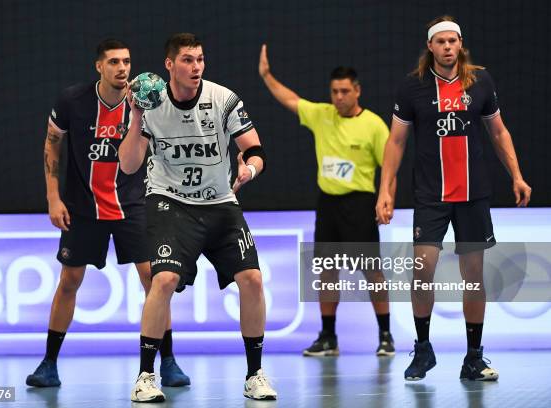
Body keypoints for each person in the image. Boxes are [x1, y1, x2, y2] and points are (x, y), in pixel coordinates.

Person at [119, 33, 277, 402]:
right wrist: (136, 115)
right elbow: (128, 165)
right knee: (164, 280)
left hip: (220, 201)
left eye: (200, 60)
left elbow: (255, 150)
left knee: (252, 279)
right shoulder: (150, 105)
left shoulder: (223, 99)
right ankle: (145, 376)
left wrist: (248, 171)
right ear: (169, 65)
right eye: (188, 60)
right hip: (169, 202)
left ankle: (255, 374)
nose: (196, 67)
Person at [26, 39, 189, 388]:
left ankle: (170, 362)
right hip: (83, 207)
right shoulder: (72, 101)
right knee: (69, 281)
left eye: (127, 62)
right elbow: (52, 143)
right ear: (99, 66)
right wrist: (53, 197)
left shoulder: (147, 101)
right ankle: (48, 363)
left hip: (133, 206)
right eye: (114, 62)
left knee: (156, 281)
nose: (122, 68)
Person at [376, 16, 531, 381]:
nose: (447, 47)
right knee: (422, 271)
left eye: (453, 41)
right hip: (431, 195)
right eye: (440, 41)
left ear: (460, 44)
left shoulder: (480, 81)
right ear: (430, 47)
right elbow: (396, 141)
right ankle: (423, 349)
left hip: (473, 195)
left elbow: (498, 132)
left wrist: (518, 176)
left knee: (473, 276)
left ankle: (473, 357)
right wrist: (385, 189)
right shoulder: (411, 87)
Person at [258, 44, 396, 357]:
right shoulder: (322, 116)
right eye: (334, 92)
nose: (338, 98)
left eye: (345, 91)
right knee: (326, 271)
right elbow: (291, 100)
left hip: (360, 203)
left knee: (372, 270)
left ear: (357, 91)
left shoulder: (374, 124)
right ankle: (328, 337)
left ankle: (385, 335)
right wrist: (267, 76)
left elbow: (390, 168)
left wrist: (386, 197)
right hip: (329, 205)